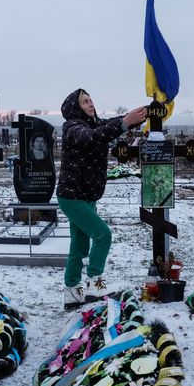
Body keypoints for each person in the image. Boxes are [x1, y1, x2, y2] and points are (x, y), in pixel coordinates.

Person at [57, 88, 147, 309]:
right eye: (85, 101)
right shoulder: (73, 128)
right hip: (72, 196)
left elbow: (111, 124)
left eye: (90, 100)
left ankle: (71, 293)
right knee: (102, 235)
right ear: (75, 107)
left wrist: (138, 116)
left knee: (79, 246)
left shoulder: (93, 124)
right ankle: (94, 288)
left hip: (86, 195)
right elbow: (92, 138)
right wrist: (124, 123)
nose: (90, 104)